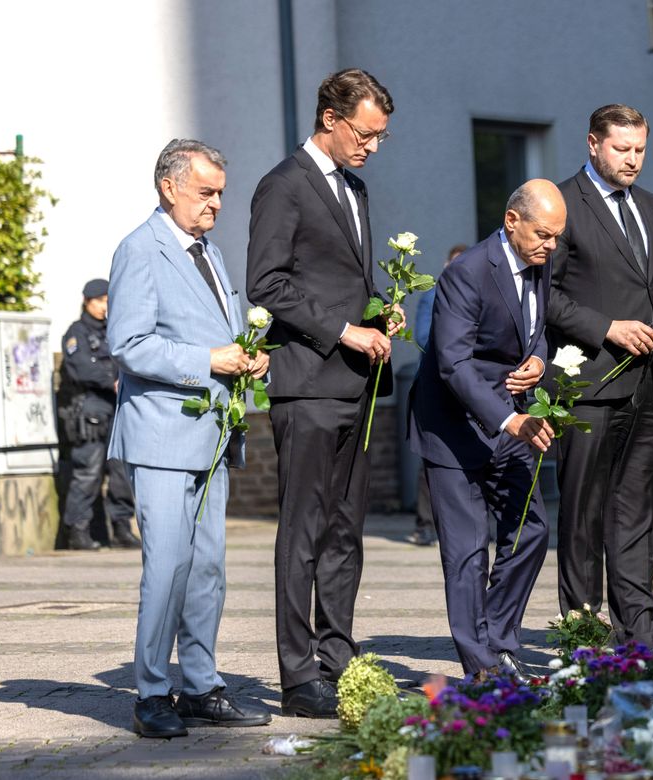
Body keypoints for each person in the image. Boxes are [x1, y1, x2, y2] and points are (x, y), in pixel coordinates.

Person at [246, 69, 403, 718]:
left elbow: (343, 277)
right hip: (307, 383)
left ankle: (339, 657)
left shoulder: (355, 187)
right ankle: (297, 671)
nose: (372, 146)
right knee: (305, 529)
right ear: (331, 120)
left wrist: (377, 314)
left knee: (345, 531)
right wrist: (344, 330)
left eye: (381, 137)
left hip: (355, 385)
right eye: (365, 133)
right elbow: (267, 282)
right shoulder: (284, 185)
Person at [108, 139, 271, 738]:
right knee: (169, 566)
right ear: (169, 187)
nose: (217, 204)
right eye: (207, 192)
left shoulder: (209, 252)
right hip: (160, 437)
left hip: (212, 432)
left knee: (207, 570)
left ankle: (200, 685)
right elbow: (127, 344)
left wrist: (249, 358)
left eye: (221, 193)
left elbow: (222, 332)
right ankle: (152, 692)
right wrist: (210, 359)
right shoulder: (139, 250)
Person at [547, 104, 653, 646]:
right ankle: (583, 636)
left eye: (640, 150)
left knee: (638, 515)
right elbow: (547, 297)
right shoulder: (563, 204)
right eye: (621, 149)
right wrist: (607, 327)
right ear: (592, 144)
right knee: (583, 514)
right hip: (590, 383)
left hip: (652, 383)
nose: (633, 160)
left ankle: (640, 635)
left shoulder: (651, 207)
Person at [409, 180, 563, 679]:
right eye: (544, 234)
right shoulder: (467, 273)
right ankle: (482, 668)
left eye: (558, 237)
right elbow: (453, 364)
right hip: (454, 426)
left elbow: (540, 328)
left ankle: (498, 641)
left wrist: (539, 359)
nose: (551, 246)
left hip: (510, 418)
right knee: (468, 551)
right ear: (512, 221)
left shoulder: (541, 262)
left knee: (531, 529)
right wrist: (509, 419)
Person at [57, 278, 138, 551]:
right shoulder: (76, 333)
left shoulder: (115, 332)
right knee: (88, 474)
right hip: (90, 413)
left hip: (117, 412)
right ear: (87, 301)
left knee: (122, 474)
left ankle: (122, 529)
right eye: (100, 301)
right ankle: (77, 532)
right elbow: (80, 367)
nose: (105, 306)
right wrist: (110, 380)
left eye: (108, 300)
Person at [408, 242, 467, 547]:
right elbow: (421, 337)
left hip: (470, 386)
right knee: (430, 456)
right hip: (437, 386)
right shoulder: (431, 295)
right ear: (446, 267)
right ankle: (424, 524)